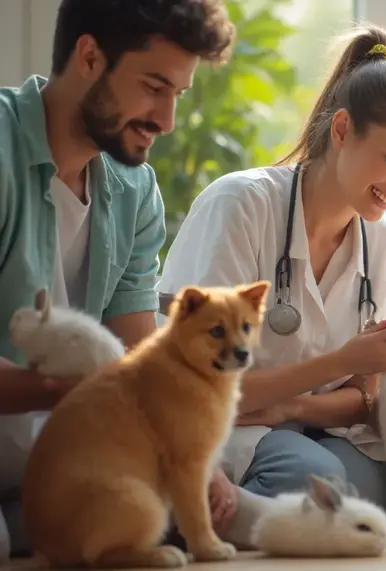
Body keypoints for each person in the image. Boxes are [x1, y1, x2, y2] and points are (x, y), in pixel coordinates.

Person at [155, 24, 386, 548]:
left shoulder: (383, 238)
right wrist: (341, 364)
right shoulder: (242, 206)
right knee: (318, 483)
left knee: (380, 488)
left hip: (304, 424)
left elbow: (364, 397)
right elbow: (197, 385)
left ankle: (220, 512)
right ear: (341, 131)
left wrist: (293, 406)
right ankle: (183, 504)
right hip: (209, 425)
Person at [0, 0, 236, 561]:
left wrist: (197, 460)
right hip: (45, 451)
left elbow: (140, 348)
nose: (167, 120)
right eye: (154, 86)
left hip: (85, 462)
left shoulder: (135, 191)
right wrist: (71, 390)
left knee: (233, 509)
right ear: (88, 57)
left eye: (177, 94)